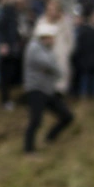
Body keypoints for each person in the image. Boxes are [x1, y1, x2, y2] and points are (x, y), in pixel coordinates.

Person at [22, 22, 74, 154]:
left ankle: (50, 137)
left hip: (48, 90)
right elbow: (51, 66)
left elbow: (55, 69)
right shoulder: (34, 48)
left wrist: (54, 69)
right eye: (51, 37)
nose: (53, 40)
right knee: (35, 120)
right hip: (36, 90)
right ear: (44, 37)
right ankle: (28, 149)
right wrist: (54, 68)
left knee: (67, 116)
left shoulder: (47, 50)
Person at [35, 0, 74, 99]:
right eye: (50, 9)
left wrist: (66, 52)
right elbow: (36, 39)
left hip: (60, 55)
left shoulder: (65, 22)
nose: (52, 12)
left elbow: (70, 40)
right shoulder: (42, 21)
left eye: (54, 9)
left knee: (60, 78)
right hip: (44, 56)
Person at [0, 0, 25, 109]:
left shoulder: (18, 13)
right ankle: (5, 100)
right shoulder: (7, 12)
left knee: (12, 73)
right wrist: (3, 44)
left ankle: (9, 99)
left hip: (15, 49)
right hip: (8, 49)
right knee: (5, 74)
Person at [73, 10, 94, 99]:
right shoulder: (84, 31)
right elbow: (80, 47)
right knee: (84, 82)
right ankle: (83, 99)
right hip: (85, 62)